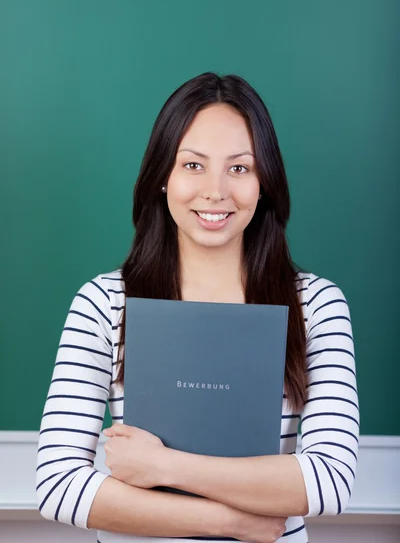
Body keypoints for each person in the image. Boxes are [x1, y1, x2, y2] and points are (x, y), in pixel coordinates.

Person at [36, 72, 359, 543]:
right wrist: (229, 522)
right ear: (162, 178)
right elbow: (58, 486)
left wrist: (164, 466)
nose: (215, 191)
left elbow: (329, 482)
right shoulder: (104, 303)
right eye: (192, 165)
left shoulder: (316, 304)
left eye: (239, 168)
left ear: (264, 181)